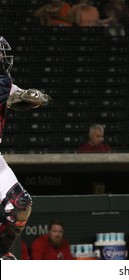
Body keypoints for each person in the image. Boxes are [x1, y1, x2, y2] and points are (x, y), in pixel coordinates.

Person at [0, 37, 35, 260]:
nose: (3, 58)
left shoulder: (4, 82)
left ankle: (2, 252)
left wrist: (31, 96)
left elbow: (23, 99)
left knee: (22, 204)